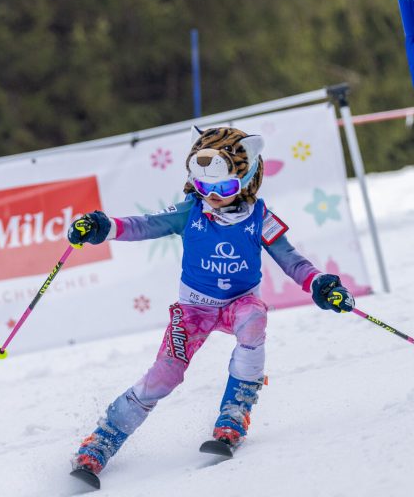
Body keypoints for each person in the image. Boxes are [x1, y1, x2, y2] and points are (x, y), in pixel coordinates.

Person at [67, 126, 355, 478]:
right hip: (194, 310)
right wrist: (102, 227)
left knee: (254, 319)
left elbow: (291, 260)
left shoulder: (259, 217)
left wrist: (321, 284)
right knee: (164, 376)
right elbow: (145, 224)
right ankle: (102, 441)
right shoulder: (191, 210)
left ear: (247, 179)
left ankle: (235, 411)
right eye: (204, 186)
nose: (213, 195)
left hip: (239, 303)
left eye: (224, 187)